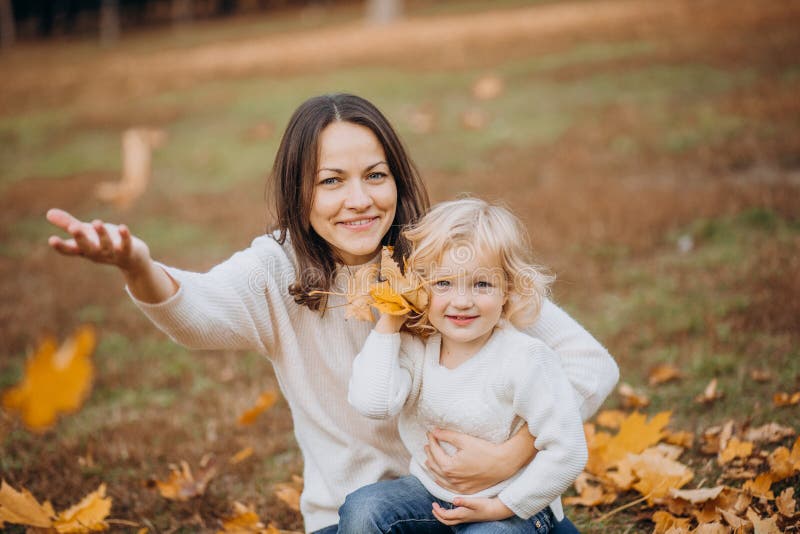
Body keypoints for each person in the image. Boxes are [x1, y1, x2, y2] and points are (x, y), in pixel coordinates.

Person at [45, 93, 618, 533]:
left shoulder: (442, 260)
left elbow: (588, 363)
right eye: (330, 181)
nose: (360, 200)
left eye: (375, 175)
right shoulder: (276, 269)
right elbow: (198, 311)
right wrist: (138, 266)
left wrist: (511, 455)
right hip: (358, 516)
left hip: (493, 504)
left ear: (397, 177)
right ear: (299, 192)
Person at [343, 198, 587, 534]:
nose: (462, 301)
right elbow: (373, 403)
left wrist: (501, 506)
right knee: (364, 508)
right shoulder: (418, 347)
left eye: (481, 284)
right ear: (421, 288)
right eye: (443, 284)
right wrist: (389, 321)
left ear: (508, 291)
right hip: (432, 494)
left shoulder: (525, 358)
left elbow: (568, 449)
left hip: (513, 505)